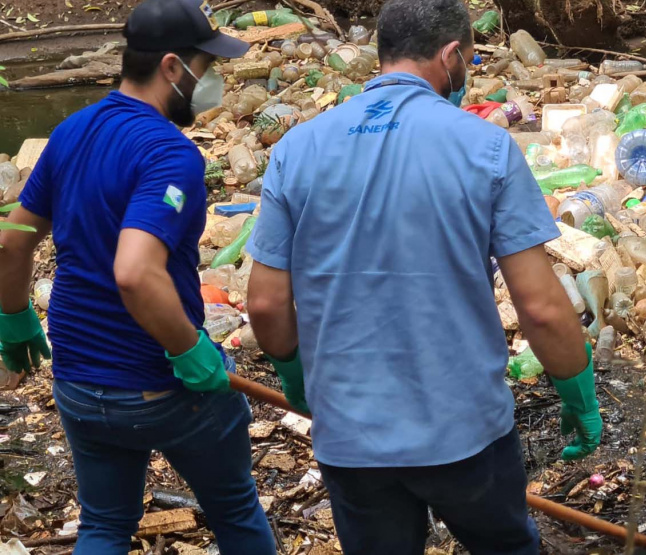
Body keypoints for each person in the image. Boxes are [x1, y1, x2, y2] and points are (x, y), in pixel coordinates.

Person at [245, 0, 602, 551]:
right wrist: (577, 393)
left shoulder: (296, 150)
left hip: (350, 434)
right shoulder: (485, 146)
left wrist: (295, 378)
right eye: (471, 61)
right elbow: (541, 306)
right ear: (452, 55)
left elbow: (266, 305)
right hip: (464, 432)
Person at [0, 1, 275, 553]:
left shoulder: (72, 130)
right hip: (162, 384)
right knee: (236, 511)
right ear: (173, 68)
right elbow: (133, 271)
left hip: (77, 382)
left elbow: (14, 238)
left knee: (104, 524)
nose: (213, 81)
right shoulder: (169, 153)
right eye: (207, 67)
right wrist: (189, 351)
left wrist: (14, 318)